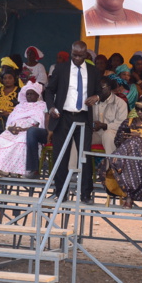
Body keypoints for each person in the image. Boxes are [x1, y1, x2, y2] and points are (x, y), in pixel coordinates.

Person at [45, 40, 99, 204]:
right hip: (63, 116)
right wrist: (51, 107)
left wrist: (97, 97)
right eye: (74, 55)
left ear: (86, 55)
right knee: (61, 156)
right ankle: (60, 192)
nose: (76, 58)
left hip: (83, 117)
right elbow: (48, 90)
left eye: (80, 55)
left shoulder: (93, 71)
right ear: (71, 52)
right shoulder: (60, 69)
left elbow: (100, 92)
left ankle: (85, 194)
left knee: (84, 156)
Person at [98, 96, 142, 208]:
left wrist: (140, 136)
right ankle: (128, 197)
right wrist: (125, 138)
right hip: (128, 155)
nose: (139, 112)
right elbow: (117, 141)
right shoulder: (128, 122)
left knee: (135, 142)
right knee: (131, 148)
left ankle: (113, 162)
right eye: (137, 108)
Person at [0, 82, 47, 177]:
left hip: (28, 131)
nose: (29, 96)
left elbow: (40, 123)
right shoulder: (19, 106)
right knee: (1, 138)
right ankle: (2, 168)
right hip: (14, 130)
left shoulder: (42, 106)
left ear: (37, 95)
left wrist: (23, 129)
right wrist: (11, 128)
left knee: (21, 140)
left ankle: (17, 170)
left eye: (32, 94)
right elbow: (10, 121)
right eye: (28, 94)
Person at [92, 77, 128, 155]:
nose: (99, 90)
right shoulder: (92, 101)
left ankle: (111, 165)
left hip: (113, 134)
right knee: (79, 136)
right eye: (97, 88)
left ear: (109, 87)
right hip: (96, 133)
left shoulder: (120, 103)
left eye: (102, 88)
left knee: (107, 135)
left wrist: (104, 125)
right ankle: (73, 166)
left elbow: (121, 124)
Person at [0, 68, 20, 135]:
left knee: (1, 123)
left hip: (13, 118)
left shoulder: (20, 92)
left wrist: (9, 114)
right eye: (5, 78)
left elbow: (23, 108)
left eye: (10, 78)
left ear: (14, 80)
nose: (7, 80)